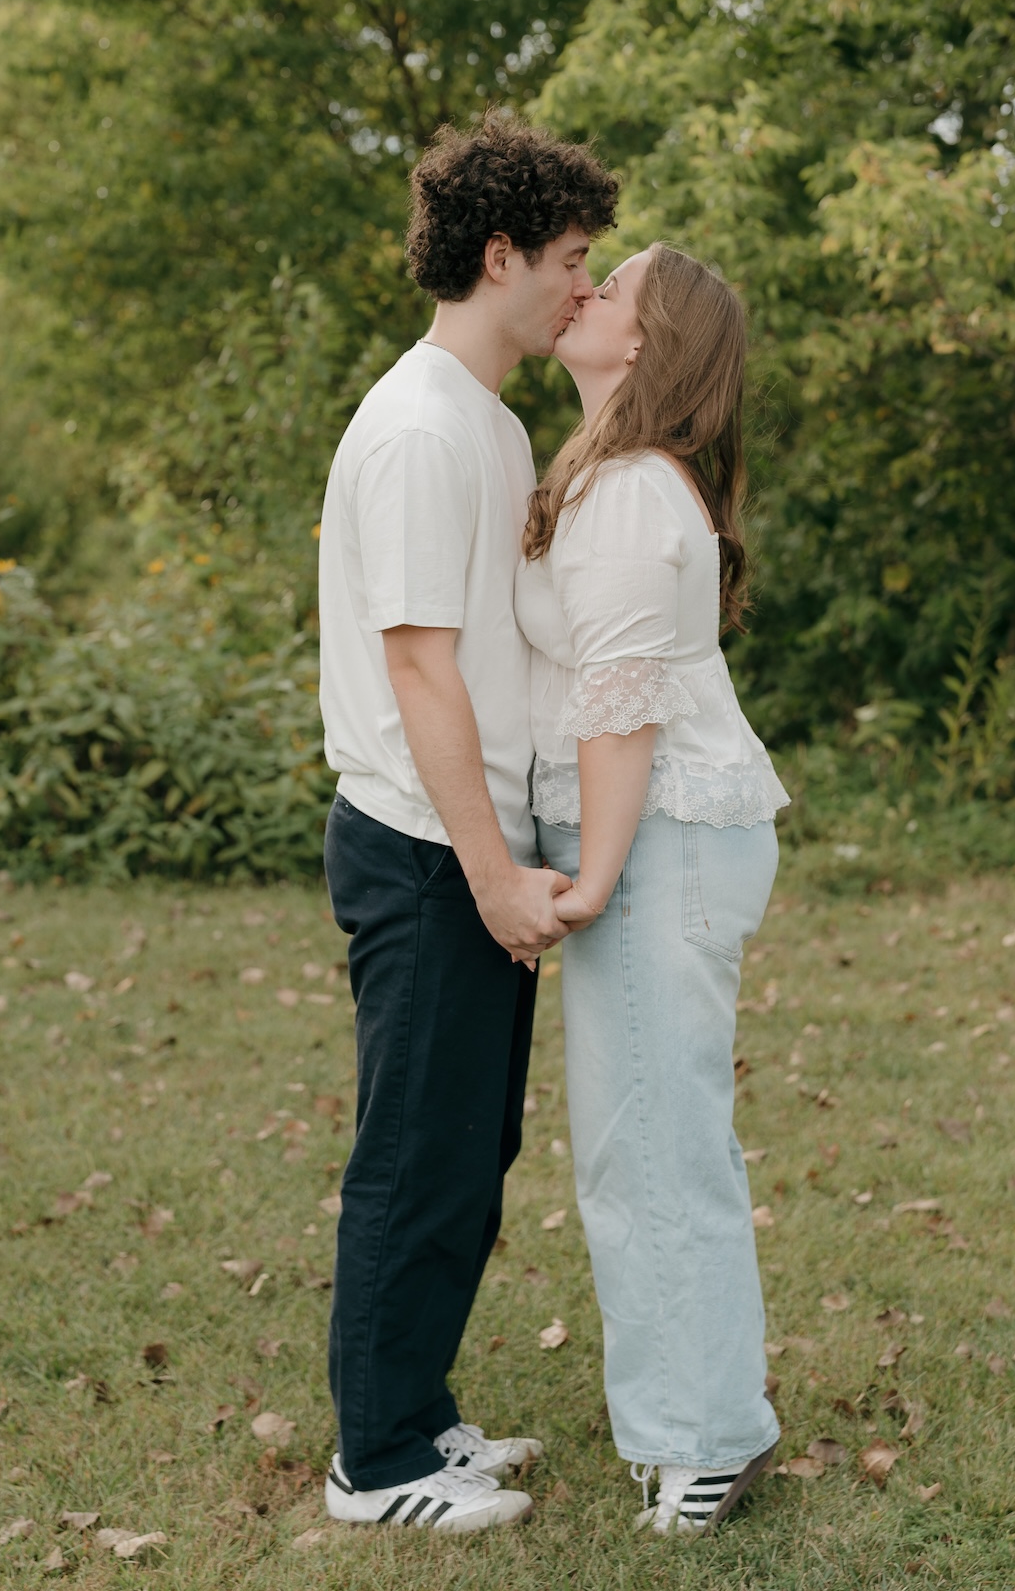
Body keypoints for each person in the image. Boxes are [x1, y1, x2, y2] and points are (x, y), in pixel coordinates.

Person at [317, 116, 619, 1532]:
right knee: (417, 1151)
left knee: (466, 1145)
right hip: (428, 848)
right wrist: (492, 873)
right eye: (569, 259)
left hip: (472, 838)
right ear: (496, 254)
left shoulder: (489, 422)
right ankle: (374, 1466)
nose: (583, 287)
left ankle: (421, 1416)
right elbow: (419, 665)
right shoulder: (425, 429)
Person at [516, 242, 791, 1535]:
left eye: (611, 288)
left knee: (650, 1140)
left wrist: (592, 881)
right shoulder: (618, 478)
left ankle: (700, 1437)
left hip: (661, 837)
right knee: (656, 1132)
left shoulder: (630, 493)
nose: (586, 294)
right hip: (669, 831)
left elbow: (620, 709)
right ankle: (711, 1417)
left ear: (646, 346)